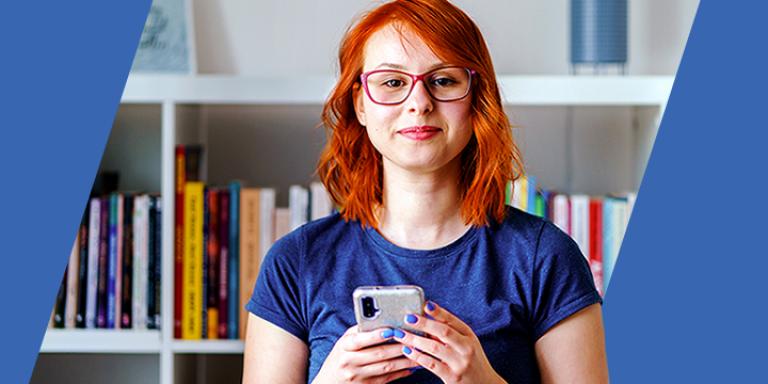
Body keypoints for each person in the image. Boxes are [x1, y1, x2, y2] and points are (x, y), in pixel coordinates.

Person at [242, 0, 608, 383]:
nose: (419, 103)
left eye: (443, 80)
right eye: (393, 82)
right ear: (360, 105)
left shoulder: (543, 258)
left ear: (475, 99)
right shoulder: (295, 263)